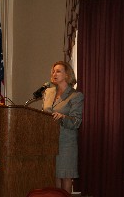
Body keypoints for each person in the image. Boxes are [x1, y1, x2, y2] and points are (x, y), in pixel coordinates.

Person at [42, 61, 84, 194]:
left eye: (58, 71)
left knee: (65, 176)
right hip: (49, 140)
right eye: (53, 71)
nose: (54, 74)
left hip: (66, 141)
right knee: (54, 175)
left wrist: (62, 117)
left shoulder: (75, 96)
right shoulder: (48, 92)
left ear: (67, 75)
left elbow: (76, 122)